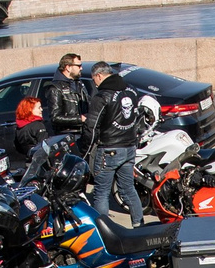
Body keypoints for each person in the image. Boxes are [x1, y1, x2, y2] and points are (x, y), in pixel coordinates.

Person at [86, 63, 158, 225]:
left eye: (94, 80)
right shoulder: (132, 90)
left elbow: (91, 126)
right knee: (128, 190)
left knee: (101, 193)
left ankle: (105, 231)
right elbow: (135, 118)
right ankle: (139, 225)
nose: (95, 84)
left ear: (99, 76)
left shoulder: (102, 96)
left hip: (109, 148)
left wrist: (86, 149)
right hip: (129, 147)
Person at [38, 51, 93, 137]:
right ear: (68, 67)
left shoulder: (79, 83)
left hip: (84, 132)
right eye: (78, 66)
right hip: (68, 134)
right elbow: (55, 117)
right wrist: (79, 119)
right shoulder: (55, 88)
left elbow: (88, 103)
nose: (81, 68)